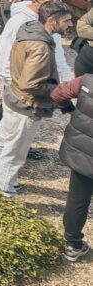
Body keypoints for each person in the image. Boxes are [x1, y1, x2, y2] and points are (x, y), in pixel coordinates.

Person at [0, 0, 73, 196]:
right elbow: (31, 84)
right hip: (27, 103)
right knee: (16, 149)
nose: (70, 24)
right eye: (66, 20)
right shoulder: (41, 47)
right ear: (51, 21)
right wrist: (60, 90)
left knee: (2, 137)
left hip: (13, 94)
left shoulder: (29, 29)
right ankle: (3, 187)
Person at [50, 72, 93, 262]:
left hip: (82, 151)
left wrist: (69, 109)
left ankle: (72, 243)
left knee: (78, 198)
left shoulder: (86, 80)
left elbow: (58, 94)